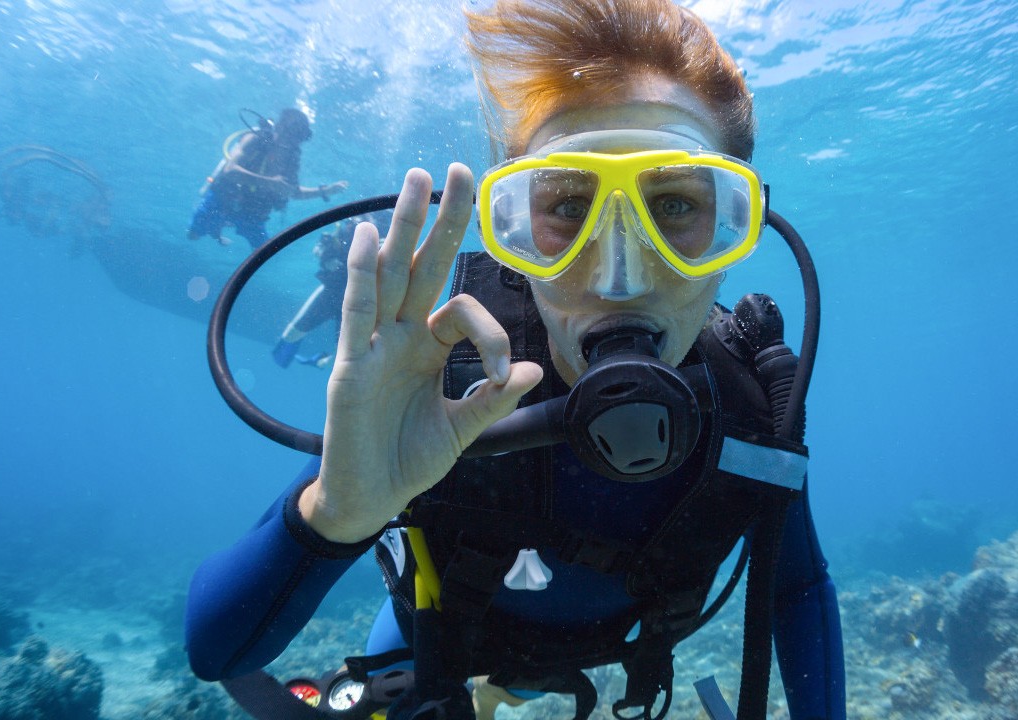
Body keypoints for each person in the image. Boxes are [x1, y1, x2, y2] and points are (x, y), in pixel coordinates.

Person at [185, 2, 846, 719]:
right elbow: (216, 653)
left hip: (607, 653)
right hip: (436, 648)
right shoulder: (446, 379)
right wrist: (334, 514)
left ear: (735, 230)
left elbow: (798, 589)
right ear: (513, 232)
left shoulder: (752, 405)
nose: (617, 278)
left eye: (677, 206)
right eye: (566, 207)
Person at [187, 108, 348, 250]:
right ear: (279, 127)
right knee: (192, 235)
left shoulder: (292, 159)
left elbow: (292, 192)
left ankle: (221, 232)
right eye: (290, 134)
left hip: (253, 214)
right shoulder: (255, 139)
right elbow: (229, 170)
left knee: (264, 251)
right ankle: (214, 231)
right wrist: (270, 182)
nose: (291, 142)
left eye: (298, 138)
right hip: (222, 202)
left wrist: (324, 191)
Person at [272, 213, 392, 369]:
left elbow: (395, 268)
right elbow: (318, 248)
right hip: (331, 292)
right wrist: (325, 257)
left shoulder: (384, 237)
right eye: (356, 219)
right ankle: (296, 359)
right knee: (290, 335)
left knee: (346, 353)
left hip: (359, 300)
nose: (357, 221)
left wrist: (384, 252)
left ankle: (321, 361)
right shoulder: (342, 232)